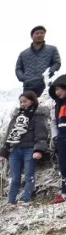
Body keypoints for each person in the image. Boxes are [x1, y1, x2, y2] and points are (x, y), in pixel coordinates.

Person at [0, 91, 52, 206]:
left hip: (30, 149)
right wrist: (3, 152)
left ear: (32, 101)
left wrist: (38, 150)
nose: (22, 104)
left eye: (25, 101)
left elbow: (42, 134)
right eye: (21, 101)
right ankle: (11, 202)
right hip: (15, 150)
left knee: (29, 175)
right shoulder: (16, 116)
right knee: (15, 177)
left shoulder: (38, 115)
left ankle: (26, 199)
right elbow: (8, 134)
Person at [16, 26, 61, 96]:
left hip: (45, 84)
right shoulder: (23, 53)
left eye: (42, 33)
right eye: (37, 33)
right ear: (32, 36)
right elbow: (18, 68)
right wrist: (24, 78)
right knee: (29, 106)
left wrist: (49, 73)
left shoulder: (52, 49)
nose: (40, 35)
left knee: (46, 106)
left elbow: (57, 63)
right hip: (28, 86)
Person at [53, 75, 66, 205]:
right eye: (55, 90)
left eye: (59, 89)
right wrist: (56, 138)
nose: (57, 92)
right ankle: (64, 193)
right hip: (62, 137)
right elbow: (55, 122)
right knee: (63, 166)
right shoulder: (58, 104)